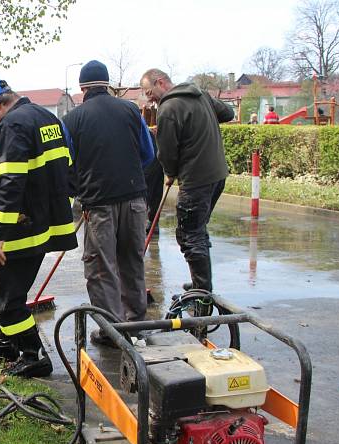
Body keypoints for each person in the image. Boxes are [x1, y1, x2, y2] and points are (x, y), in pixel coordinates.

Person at [0, 79, 77, 377]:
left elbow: (10, 182)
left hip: (17, 232)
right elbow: (69, 169)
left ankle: (33, 354)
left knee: (5, 297)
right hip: (40, 224)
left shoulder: (13, 126)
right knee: (12, 288)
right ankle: (5, 343)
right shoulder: (47, 118)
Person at [62, 60, 154, 347]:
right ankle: (136, 323)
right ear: (107, 84)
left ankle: (112, 330)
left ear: (82, 88)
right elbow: (148, 154)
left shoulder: (72, 120)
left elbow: (69, 165)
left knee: (101, 268)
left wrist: (80, 190)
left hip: (99, 203)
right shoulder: (129, 109)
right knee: (132, 260)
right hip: (135, 199)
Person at [140, 68, 234, 296]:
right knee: (198, 230)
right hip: (217, 175)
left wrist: (170, 172)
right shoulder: (200, 94)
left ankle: (202, 292)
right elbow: (228, 113)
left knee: (189, 235)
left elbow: (167, 151)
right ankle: (201, 283)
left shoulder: (169, 108)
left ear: (160, 82)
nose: (148, 97)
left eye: (148, 91)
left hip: (196, 179)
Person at [144, 128, 165, 237]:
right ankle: (153, 223)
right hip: (155, 159)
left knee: (146, 195)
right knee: (154, 193)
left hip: (149, 162)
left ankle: (151, 223)